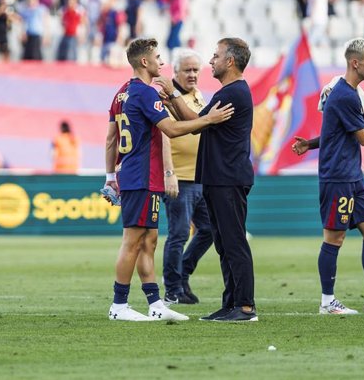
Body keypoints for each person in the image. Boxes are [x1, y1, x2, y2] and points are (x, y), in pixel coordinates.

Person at [103, 38, 234, 322]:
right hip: (141, 176)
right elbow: (172, 130)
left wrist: (110, 176)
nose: (162, 63)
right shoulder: (145, 93)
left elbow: (111, 138)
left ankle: (155, 303)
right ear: (144, 62)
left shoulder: (122, 93)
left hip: (138, 177)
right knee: (132, 241)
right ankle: (119, 305)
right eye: (158, 58)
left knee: (149, 240)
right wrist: (208, 120)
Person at [291, 38, 364, 315]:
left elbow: (335, 132)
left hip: (354, 176)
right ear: (355, 63)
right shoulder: (344, 95)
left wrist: (309, 144)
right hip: (338, 176)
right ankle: (327, 302)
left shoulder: (352, 93)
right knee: (335, 238)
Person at [157, 38, 257, 322]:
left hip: (228, 178)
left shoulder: (234, 92)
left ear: (230, 61)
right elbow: (197, 121)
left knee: (234, 242)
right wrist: (172, 101)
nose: (211, 61)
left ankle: (246, 307)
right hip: (217, 178)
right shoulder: (228, 91)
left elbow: (195, 121)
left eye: (215, 56)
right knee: (224, 243)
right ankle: (230, 303)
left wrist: (172, 92)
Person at [160, 49, 214, 305]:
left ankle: (182, 274)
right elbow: (163, 135)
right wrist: (168, 172)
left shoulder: (198, 96)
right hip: (179, 178)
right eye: (187, 70)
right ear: (176, 73)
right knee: (179, 233)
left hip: (201, 176)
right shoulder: (168, 98)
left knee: (209, 229)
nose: (192, 74)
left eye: (195, 70)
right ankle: (172, 288)